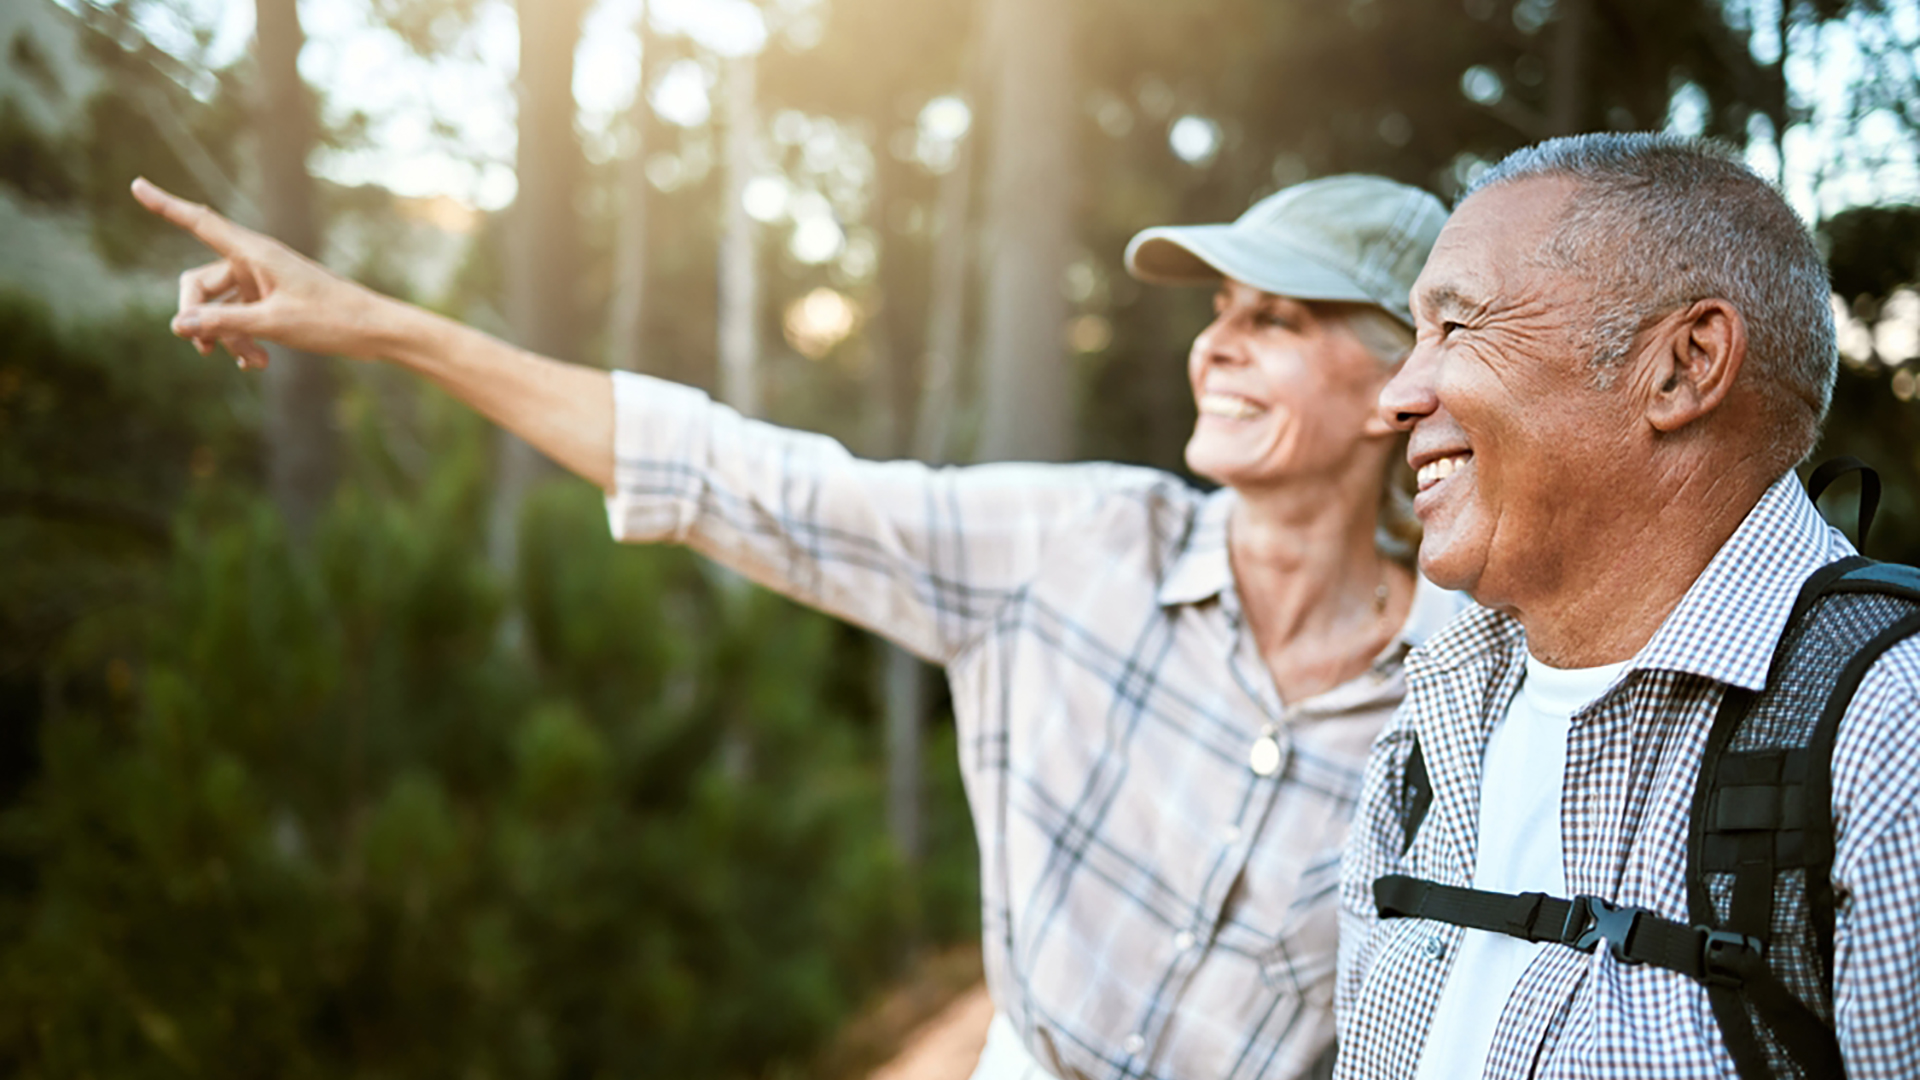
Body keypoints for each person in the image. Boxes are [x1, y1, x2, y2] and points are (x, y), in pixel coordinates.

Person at [134, 172, 1459, 1080]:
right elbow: (736, 476)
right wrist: (377, 324)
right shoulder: (1075, 547)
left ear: (1397, 385)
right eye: (1217, 314)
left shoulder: (1467, 687)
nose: (1214, 347)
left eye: (1272, 321)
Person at [1334, 133, 1920, 1079]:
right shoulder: (1433, 718)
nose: (1398, 395)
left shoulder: (1891, 730)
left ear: (1684, 367)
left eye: (1458, 326)